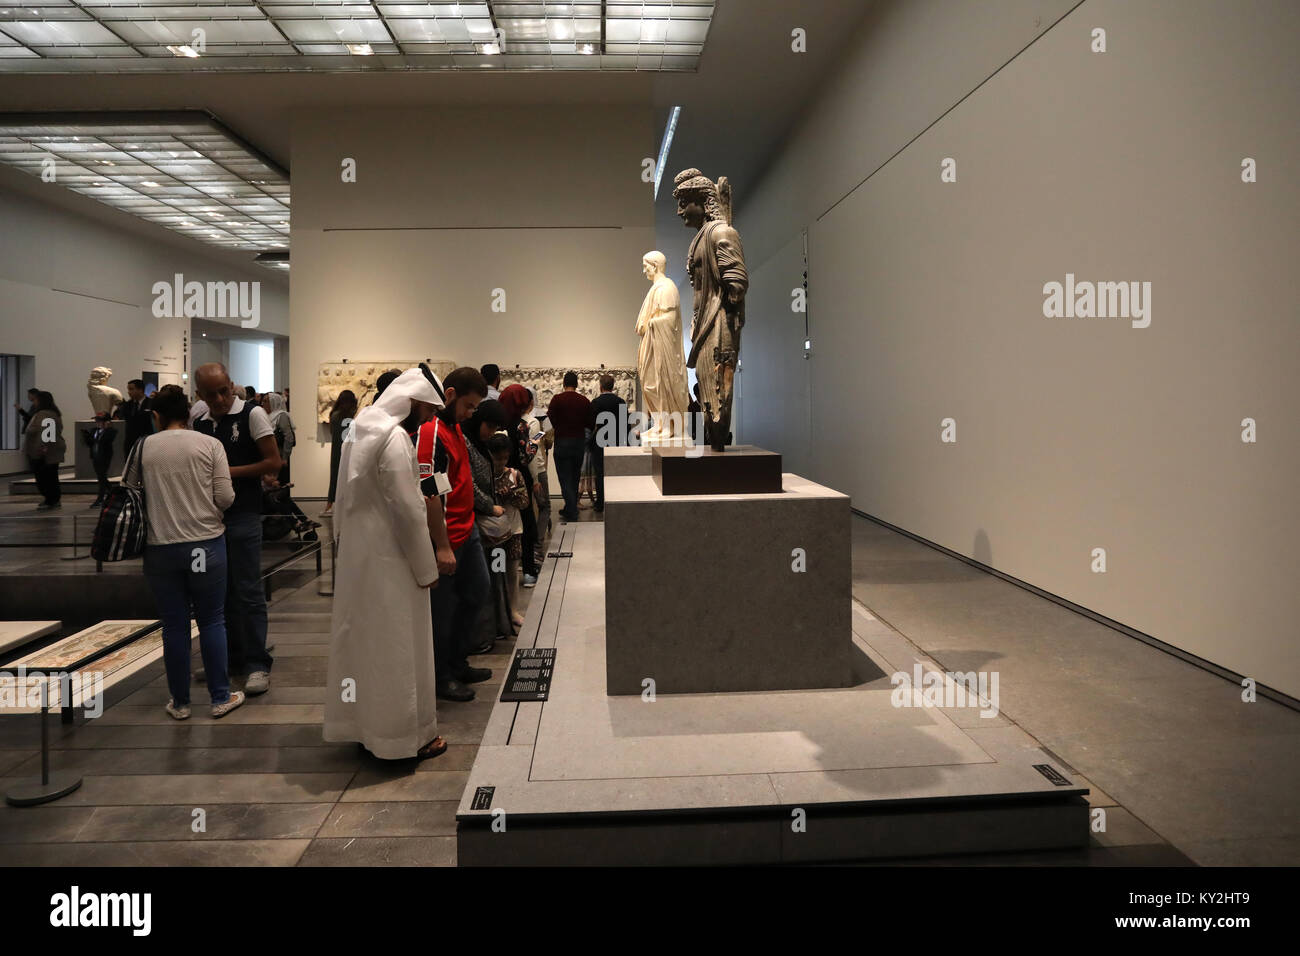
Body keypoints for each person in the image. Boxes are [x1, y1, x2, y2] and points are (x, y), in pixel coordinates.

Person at [325, 366, 446, 761]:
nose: (428, 419)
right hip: (392, 560)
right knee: (398, 646)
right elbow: (409, 510)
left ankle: (366, 731)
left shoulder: (361, 427)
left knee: (365, 645)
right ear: (410, 401)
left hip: (360, 558)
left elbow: (343, 493)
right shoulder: (393, 438)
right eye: (427, 410)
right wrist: (427, 567)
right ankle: (404, 738)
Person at [123, 385, 244, 721]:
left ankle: (180, 702)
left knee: (174, 625)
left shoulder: (144, 446)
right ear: (189, 414)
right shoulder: (209, 444)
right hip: (205, 545)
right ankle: (220, 697)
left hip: (161, 549)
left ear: (156, 415)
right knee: (212, 620)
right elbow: (226, 497)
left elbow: (129, 491)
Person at [193, 363, 282, 696]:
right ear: (200, 395)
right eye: (210, 394)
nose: (218, 399)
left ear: (231, 385)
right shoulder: (199, 421)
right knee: (219, 592)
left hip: (243, 514)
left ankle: (257, 663)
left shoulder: (252, 415)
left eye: (223, 391)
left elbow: (273, 461)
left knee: (247, 591)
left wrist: (227, 472)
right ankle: (230, 660)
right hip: (208, 518)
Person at [415, 367, 491, 703]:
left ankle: (458, 662)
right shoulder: (432, 432)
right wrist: (441, 545)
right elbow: (429, 489)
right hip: (445, 539)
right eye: (469, 405)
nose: (471, 413)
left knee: (477, 592)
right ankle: (442, 676)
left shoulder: (454, 428)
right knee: (442, 613)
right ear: (449, 395)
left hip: (466, 530)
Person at [464, 400, 514, 641]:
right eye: (490, 427)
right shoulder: (466, 442)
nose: (491, 433)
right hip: (477, 522)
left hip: (488, 525)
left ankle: (496, 627)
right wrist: (489, 506)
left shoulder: (479, 443)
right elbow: (467, 483)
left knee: (496, 575)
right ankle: (481, 635)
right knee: (482, 582)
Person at [481, 431, 529, 631]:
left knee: (512, 571)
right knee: (497, 571)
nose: (501, 462)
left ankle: (513, 611)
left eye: (505, 458)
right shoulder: (484, 477)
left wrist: (510, 496)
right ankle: (499, 613)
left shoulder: (515, 474)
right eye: (497, 458)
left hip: (514, 530)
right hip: (494, 535)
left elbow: (525, 502)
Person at [498, 384, 541, 587]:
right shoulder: (520, 425)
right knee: (525, 525)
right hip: (519, 479)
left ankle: (501, 574)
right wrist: (534, 445)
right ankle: (529, 571)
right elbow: (526, 456)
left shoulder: (496, 423)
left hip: (499, 479)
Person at [546, 372, 591, 522]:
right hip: (578, 443)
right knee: (574, 476)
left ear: (563, 384)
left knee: (564, 478)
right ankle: (570, 507)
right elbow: (590, 423)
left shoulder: (557, 400)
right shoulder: (584, 401)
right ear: (577, 384)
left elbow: (550, 418)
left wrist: (560, 426)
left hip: (562, 442)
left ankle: (571, 510)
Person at [587, 374, 627, 514]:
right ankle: (616, 501)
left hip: (599, 443)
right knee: (616, 473)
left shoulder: (595, 403)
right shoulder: (621, 402)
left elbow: (591, 425)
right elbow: (625, 425)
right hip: (616, 442)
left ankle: (600, 503)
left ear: (601, 386)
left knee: (600, 474)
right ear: (613, 386)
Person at [522, 391, 552, 571]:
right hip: (538, 467)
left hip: (523, 468)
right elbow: (546, 441)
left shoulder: (513, 420)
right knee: (544, 506)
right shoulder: (537, 420)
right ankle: (537, 548)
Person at [24, 391, 65, 511]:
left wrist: (43, 447)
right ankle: (51, 499)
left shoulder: (45, 414)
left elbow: (48, 432)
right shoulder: (50, 413)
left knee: (46, 477)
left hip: (45, 452)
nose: (34, 402)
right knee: (48, 476)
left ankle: (52, 499)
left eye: (36, 400)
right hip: (46, 450)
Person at [325, 389, 358, 514]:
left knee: (335, 476)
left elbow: (333, 432)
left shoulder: (334, 415)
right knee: (346, 477)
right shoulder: (348, 417)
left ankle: (329, 504)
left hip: (337, 450)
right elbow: (351, 436)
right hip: (348, 450)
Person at [83, 412, 117, 507]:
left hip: (105, 457)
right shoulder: (94, 430)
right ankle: (112, 493)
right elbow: (90, 444)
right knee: (101, 477)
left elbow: (105, 441)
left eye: (99, 420)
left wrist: (106, 428)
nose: (97, 422)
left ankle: (100, 498)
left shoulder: (111, 431)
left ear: (106, 422)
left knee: (102, 477)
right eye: (96, 420)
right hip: (95, 456)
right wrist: (86, 437)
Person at [112, 379, 153, 456]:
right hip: (130, 442)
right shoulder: (127, 405)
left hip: (146, 441)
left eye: (131, 389)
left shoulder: (151, 403)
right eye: (128, 389)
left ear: (140, 390)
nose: (129, 392)